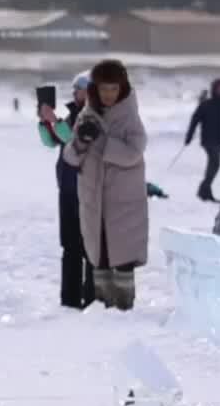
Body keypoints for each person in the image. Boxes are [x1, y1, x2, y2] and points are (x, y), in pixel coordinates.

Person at [62, 59, 148, 311]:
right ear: (95, 90)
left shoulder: (130, 117)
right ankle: (102, 313)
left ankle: (123, 312)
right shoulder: (87, 115)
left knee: (122, 261)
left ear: (121, 88)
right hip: (94, 202)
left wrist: (100, 142)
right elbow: (70, 157)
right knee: (99, 259)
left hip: (124, 205)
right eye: (103, 89)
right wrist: (81, 141)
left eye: (113, 88)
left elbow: (134, 152)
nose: (109, 94)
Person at [37, 73, 94, 309]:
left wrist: (57, 123)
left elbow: (77, 142)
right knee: (70, 246)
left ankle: (93, 298)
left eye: (78, 88)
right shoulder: (73, 114)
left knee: (90, 248)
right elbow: (52, 143)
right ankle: (70, 299)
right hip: (68, 190)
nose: (73, 93)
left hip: (89, 190)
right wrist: (45, 123)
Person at [183, 78, 220, 201]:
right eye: (219, 88)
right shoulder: (206, 105)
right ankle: (204, 190)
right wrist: (189, 137)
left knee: (213, 164)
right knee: (215, 163)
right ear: (214, 89)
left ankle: (204, 191)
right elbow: (194, 120)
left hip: (219, 140)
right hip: (208, 140)